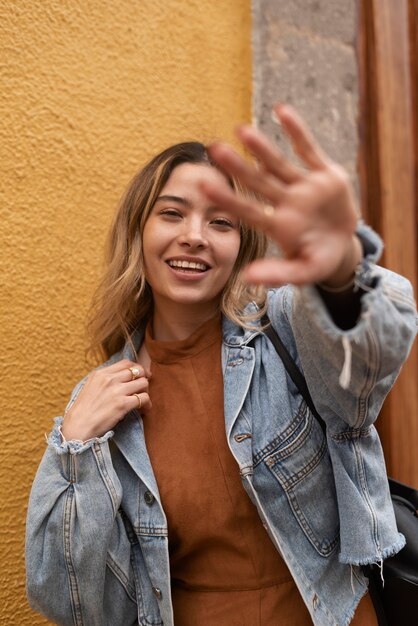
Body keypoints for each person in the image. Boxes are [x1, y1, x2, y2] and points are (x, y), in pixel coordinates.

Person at [26, 104, 417, 626]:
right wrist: (73, 450)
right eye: (171, 214)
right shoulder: (103, 401)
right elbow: (64, 598)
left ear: (241, 245)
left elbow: (380, 339)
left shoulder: (284, 329)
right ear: (138, 233)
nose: (194, 235)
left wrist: (342, 266)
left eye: (220, 222)